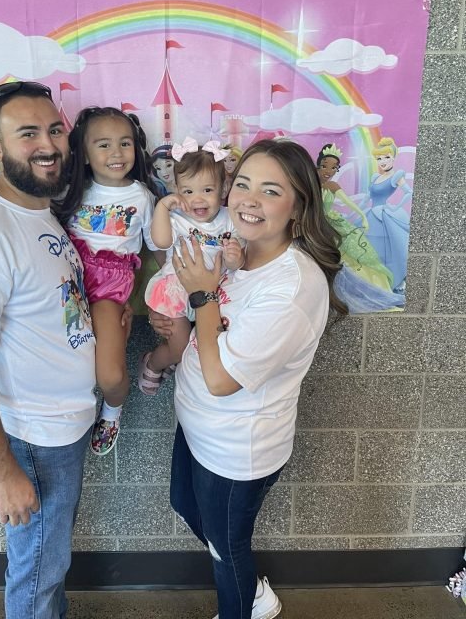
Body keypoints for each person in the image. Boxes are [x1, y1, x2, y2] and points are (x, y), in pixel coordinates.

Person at [0, 81, 127, 619]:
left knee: (49, 566)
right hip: (29, 442)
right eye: (27, 134)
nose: (47, 145)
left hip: (60, 431)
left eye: (54, 130)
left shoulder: (36, 211)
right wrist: (3, 472)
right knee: (38, 573)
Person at [151, 139, 346, 619]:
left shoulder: (292, 288)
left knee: (227, 551)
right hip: (199, 427)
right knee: (185, 504)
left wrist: (200, 298)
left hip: (236, 449)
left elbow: (222, 380)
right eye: (242, 184)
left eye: (271, 190)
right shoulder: (238, 254)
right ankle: (252, 588)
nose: (248, 199)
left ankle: (246, 602)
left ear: (298, 207)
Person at [57, 107, 157, 456]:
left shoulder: (142, 197)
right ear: (83, 152)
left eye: (124, 143)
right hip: (64, 282)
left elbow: (159, 248)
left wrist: (172, 293)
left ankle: (112, 411)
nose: (116, 153)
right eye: (103, 145)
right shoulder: (71, 191)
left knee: (111, 377)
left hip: (107, 291)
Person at [138, 139, 244, 396]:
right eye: (188, 191)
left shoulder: (229, 218)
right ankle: (153, 362)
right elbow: (162, 242)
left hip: (213, 293)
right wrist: (164, 207)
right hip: (176, 288)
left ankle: (180, 360)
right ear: (177, 190)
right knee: (179, 347)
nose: (197, 199)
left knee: (203, 346)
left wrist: (233, 257)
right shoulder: (176, 218)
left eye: (207, 190)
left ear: (224, 188)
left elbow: (236, 264)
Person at [316, 144, 404, 313]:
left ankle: (355, 293)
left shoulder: (332, 186)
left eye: (334, 167)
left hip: (331, 224)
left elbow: (348, 203)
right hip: (314, 226)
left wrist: (362, 216)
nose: (329, 170)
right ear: (318, 165)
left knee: (352, 252)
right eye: (325, 166)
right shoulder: (309, 182)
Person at [363, 136, 412, 291]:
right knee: (370, 248)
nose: (382, 161)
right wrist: (356, 213)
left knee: (386, 250)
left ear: (393, 157)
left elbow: (408, 192)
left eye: (386, 157)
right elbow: (367, 198)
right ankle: (373, 282)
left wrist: (395, 207)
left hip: (384, 217)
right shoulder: (375, 177)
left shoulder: (396, 176)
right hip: (371, 215)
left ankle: (390, 282)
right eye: (379, 158)